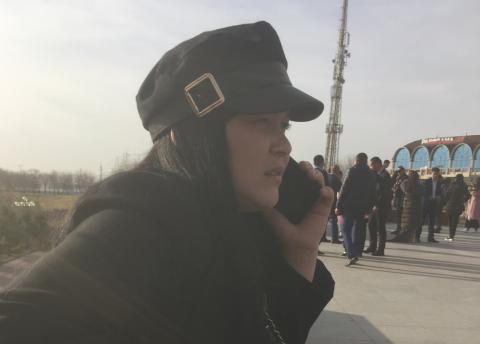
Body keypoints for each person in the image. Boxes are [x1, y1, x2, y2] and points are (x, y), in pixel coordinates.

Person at [0, 22, 335, 344]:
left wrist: (300, 253)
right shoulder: (138, 226)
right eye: (260, 120)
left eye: (284, 126)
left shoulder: (229, 226)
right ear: (188, 132)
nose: (284, 146)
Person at [336, 153, 376, 266]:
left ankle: (351, 253)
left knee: (345, 229)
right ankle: (357, 252)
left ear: (357, 160)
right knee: (358, 230)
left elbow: (344, 189)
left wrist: (338, 206)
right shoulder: (371, 174)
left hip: (349, 206)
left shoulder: (352, 171)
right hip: (363, 207)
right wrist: (369, 208)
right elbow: (373, 193)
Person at [364, 157, 393, 256]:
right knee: (371, 225)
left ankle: (381, 249)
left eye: (372, 164)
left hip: (381, 206)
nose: (371, 166)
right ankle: (372, 246)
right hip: (374, 206)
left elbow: (384, 193)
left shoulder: (385, 175)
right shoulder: (376, 174)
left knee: (381, 228)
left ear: (378, 164)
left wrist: (377, 205)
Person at [391, 170, 423, 243]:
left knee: (408, 223)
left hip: (409, 206)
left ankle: (408, 237)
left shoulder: (411, 184)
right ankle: (410, 237)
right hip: (412, 206)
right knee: (411, 223)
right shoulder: (417, 185)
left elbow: (406, 192)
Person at [444, 174, 470, 241]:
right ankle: (451, 236)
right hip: (457, 206)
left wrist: (446, 202)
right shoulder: (464, 186)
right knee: (454, 222)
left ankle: (451, 236)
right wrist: (462, 201)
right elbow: (468, 196)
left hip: (450, 205)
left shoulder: (452, 185)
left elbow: (446, 195)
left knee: (451, 222)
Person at [421, 167, 444, 242]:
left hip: (434, 204)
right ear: (432, 173)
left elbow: (441, 193)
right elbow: (423, 192)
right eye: (434, 174)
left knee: (432, 222)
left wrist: (439, 197)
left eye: (437, 174)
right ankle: (417, 236)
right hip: (426, 204)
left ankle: (430, 238)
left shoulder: (440, 183)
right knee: (421, 221)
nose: (435, 175)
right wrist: (429, 197)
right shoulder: (426, 181)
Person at [314, 154, 331, 246]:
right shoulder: (322, 173)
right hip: (321, 200)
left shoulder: (313, 172)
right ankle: (317, 245)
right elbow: (326, 186)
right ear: (321, 162)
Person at [328, 164, 343, 244]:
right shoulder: (335, 179)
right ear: (337, 170)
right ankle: (334, 238)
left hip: (325, 200)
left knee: (325, 220)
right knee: (334, 220)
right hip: (333, 201)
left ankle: (322, 237)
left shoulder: (326, 176)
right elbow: (341, 190)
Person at [392, 166, 408, 234]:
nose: (399, 172)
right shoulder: (398, 178)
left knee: (401, 214)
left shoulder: (406, 178)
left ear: (403, 171)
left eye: (400, 171)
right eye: (398, 171)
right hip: (397, 197)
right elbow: (394, 187)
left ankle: (401, 229)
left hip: (402, 198)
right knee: (398, 214)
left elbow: (406, 189)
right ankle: (398, 228)